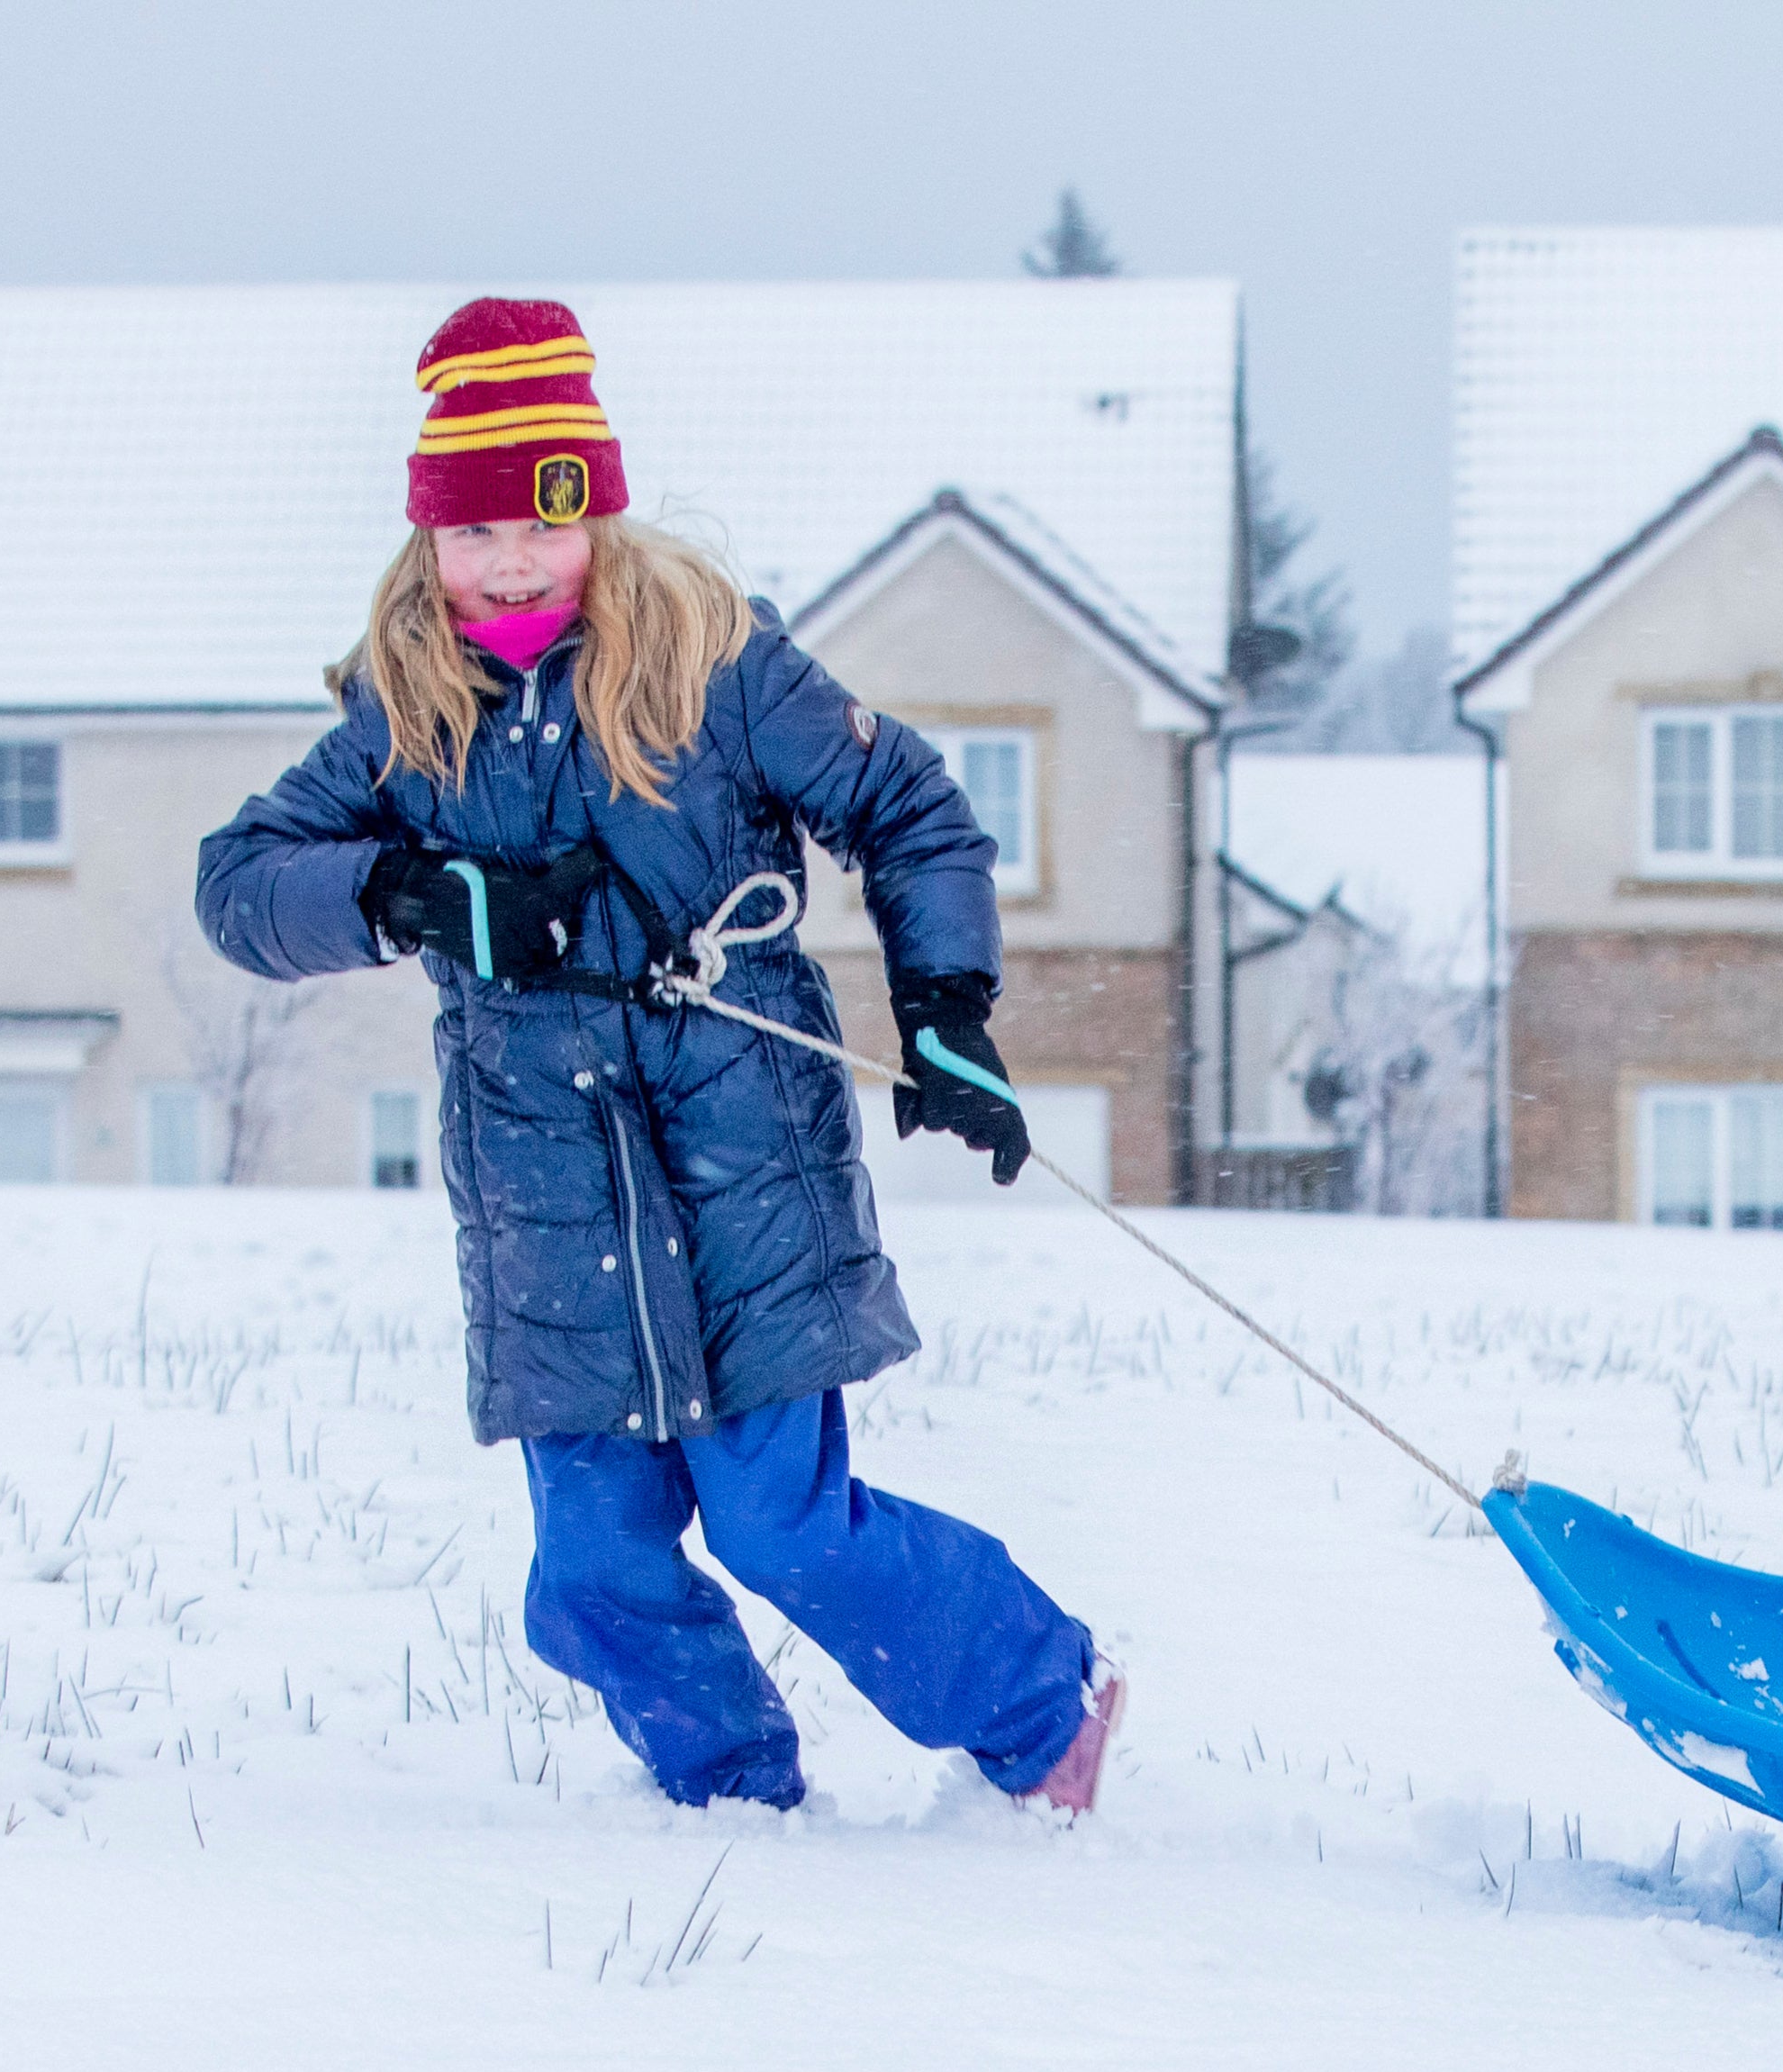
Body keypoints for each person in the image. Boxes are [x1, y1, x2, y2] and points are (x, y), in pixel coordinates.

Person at [195, 297, 1120, 1817]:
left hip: (742, 1161)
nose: (509, 560)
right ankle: (727, 1793)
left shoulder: (714, 664)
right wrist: (404, 892)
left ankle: (1041, 1699)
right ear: (426, 532)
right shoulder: (403, 714)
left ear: (597, 514)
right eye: (475, 525)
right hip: (544, 1193)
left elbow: (907, 808)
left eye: (545, 520)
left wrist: (945, 1004)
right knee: (594, 1565)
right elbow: (238, 886)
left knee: (784, 1526)